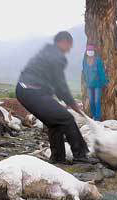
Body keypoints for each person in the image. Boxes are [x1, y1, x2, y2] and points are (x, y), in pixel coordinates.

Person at [16, 31, 92, 164]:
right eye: (69, 45)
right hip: (31, 91)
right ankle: (80, 155)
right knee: (67, 118)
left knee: (55, 122)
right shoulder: (57, 56)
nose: (69, 49)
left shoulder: (48, 52)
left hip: (24, 91)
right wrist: (72, 104)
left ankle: (58, 158)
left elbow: (52, 82)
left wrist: (66, 101)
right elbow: (59, 84)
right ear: (63, 42)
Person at [82, 44, 108, 121]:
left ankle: (97, 117)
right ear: (86, 51)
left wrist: (105, 82)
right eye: (88, 50)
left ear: (94, 51)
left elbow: (101, 72)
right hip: (89, 84)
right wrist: (86, 81)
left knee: (97, 101)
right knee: (91, 101)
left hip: (97, 84)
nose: (90, 52)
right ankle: (93, 115)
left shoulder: (98, 60)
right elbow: (84, 71)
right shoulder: (84, 61)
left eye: (91, 50)